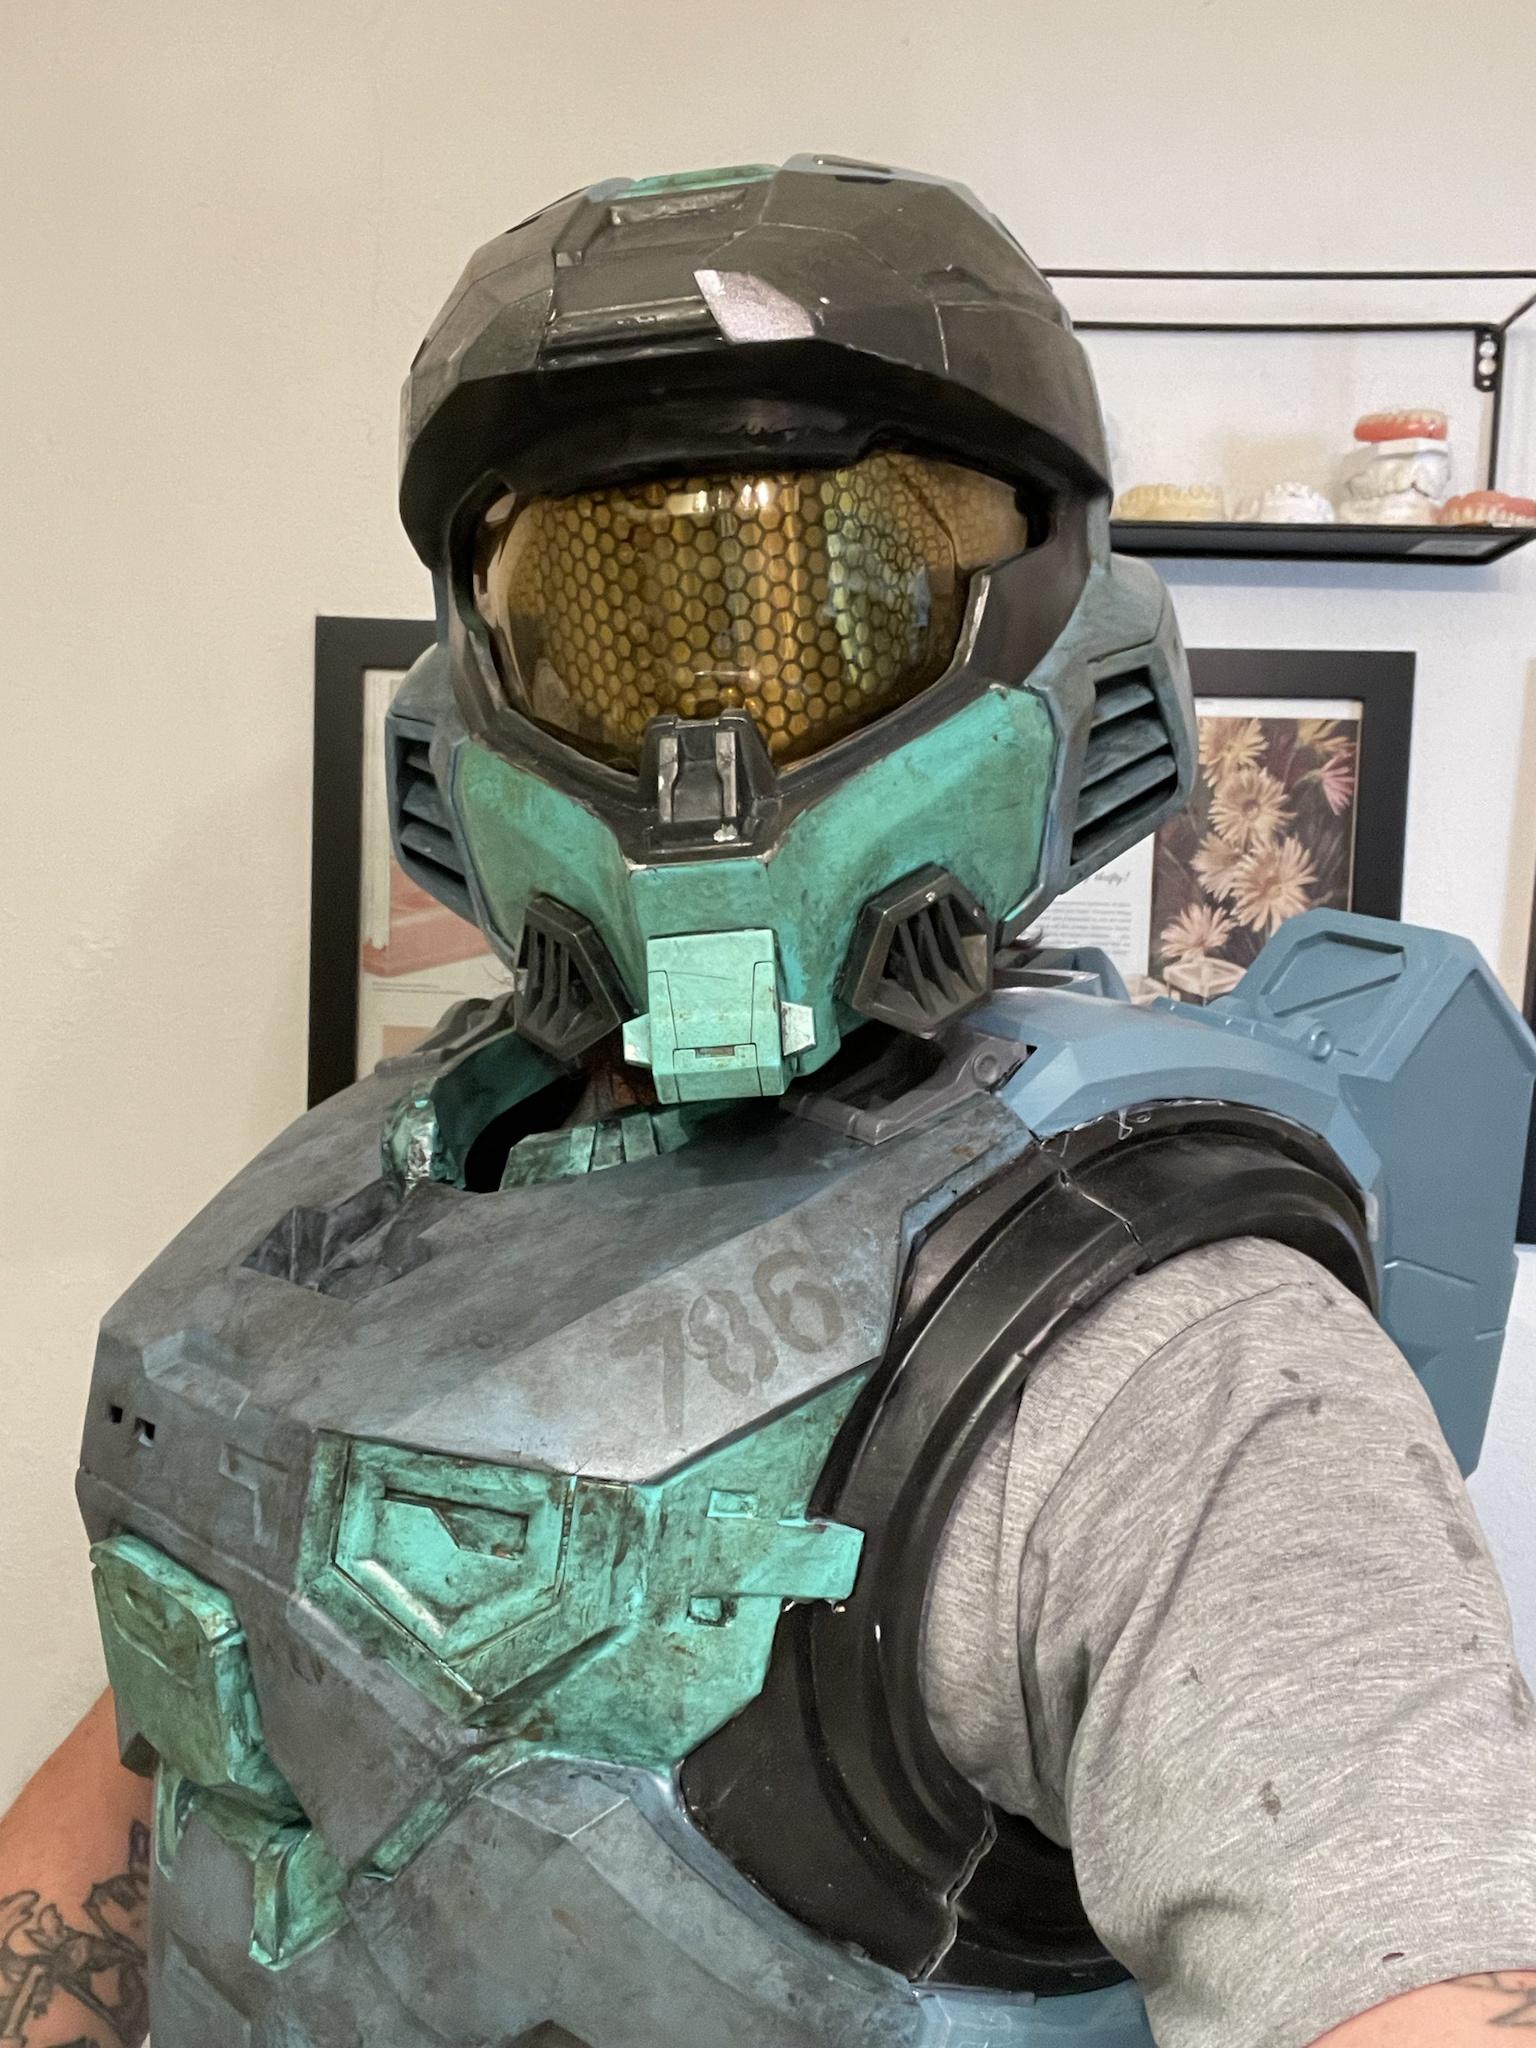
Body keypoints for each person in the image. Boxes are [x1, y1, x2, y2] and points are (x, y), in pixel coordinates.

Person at [13, 156, 1534, 2048]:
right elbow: (187, 1755)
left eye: (820, 611)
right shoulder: (360, 1198)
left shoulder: (1173, 1361)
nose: (704, 755)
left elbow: (1412, 1979)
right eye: (614, 621)